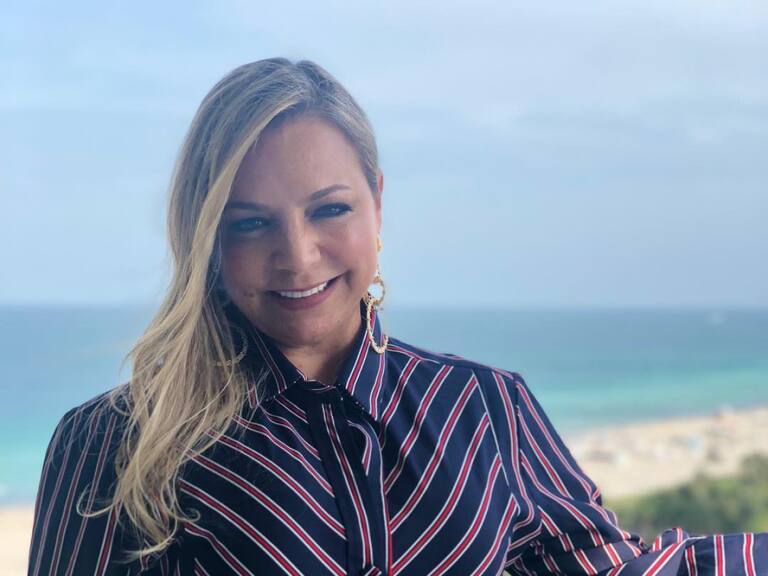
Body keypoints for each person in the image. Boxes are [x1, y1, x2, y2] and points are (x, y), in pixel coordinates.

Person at [27, 57, 766, 576]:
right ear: (205, 238)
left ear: (377, 204)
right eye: (250, 223)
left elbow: (614, 568)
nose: (298, 256)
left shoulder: (486, 408)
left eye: (330, 210)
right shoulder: (117, 442)